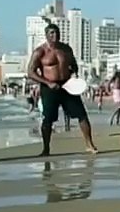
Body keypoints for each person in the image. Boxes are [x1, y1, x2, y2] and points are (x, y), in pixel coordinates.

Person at [27, 23, 98, 155]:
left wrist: (74, 73)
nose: (55, 35)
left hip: (67, 85)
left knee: (82, 114)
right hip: (49, 87)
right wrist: (47, 83)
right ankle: (46, 149)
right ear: (46, 35)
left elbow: (73, 64)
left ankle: (90, 144)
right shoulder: (40, 52)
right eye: (52, 33)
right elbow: (30, 72)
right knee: (48, 118)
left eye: (57, 32)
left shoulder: (66, 49)